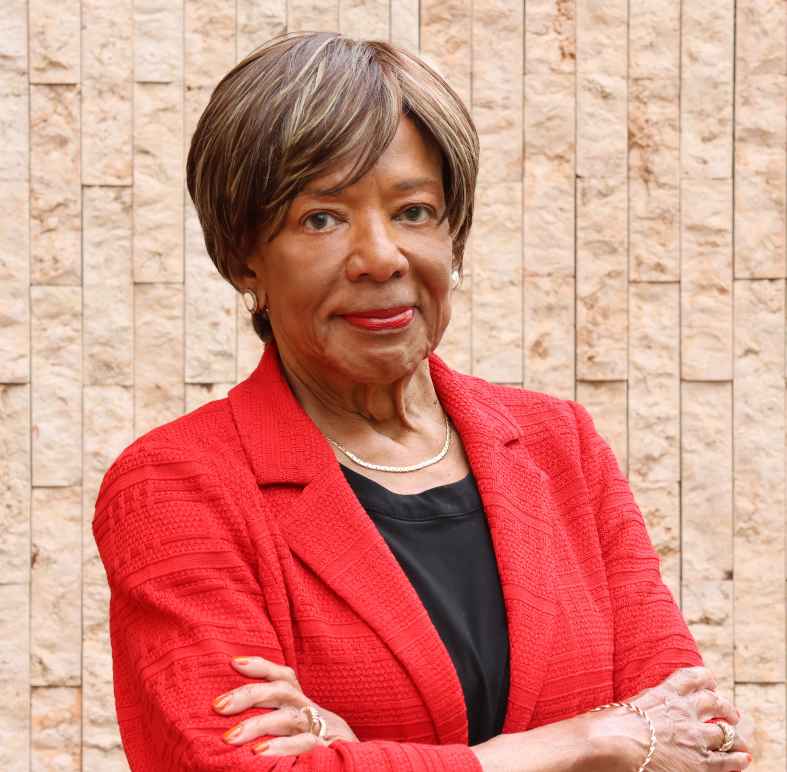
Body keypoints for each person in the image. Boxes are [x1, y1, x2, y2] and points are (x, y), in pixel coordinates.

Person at [92, 31, 754, 771]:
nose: (381, 257)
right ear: (245, 253)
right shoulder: (177, 485)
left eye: (413, 211)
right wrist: (583, 742)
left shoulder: (555, 443)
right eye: (321, 218)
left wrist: (361, 756)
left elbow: (698, 733)